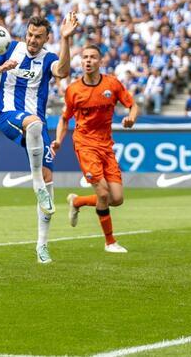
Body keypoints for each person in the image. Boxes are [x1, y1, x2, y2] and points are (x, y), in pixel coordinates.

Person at [0, 13, 77, 264]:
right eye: (30, 34)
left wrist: (66, 40)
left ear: (46, 38)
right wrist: (1, 68)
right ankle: (36, 183)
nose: (32, 39)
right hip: (7, 114)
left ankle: (42, 246)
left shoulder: (49, 58)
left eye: (38, 36)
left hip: (37, 124)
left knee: (49, 175)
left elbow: (62, 71)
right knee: (32, 125)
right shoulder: (10, 49)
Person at [52, 45, 138, 252]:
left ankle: (77, 201)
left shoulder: (112, 84)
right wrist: (58, 141)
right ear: (81, 62)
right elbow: (64, 120)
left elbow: (133, 105)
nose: (88, 61)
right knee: (102, 191)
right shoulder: (74, 90)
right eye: (85, 58)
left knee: (116, 199)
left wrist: (131, 119)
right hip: (84, 144)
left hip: (106, 145)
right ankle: (110, 242)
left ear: (100, 62)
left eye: (92, 57)